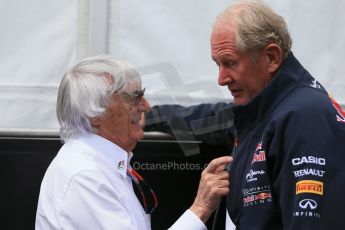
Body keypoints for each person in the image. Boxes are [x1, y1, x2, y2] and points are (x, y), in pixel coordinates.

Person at [145, 0, 345, 229]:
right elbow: (212, 118)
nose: (221, 79)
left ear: (271, 57)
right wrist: (149, 116)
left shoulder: (306, 119)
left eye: (230, 63)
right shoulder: (261, 109)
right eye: (217, 65)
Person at [35, 56, 232, 230]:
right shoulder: (86, 177)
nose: (145, 106)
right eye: (134, 97)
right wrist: (201, 208)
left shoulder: (97, 164)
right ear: (94, 114)